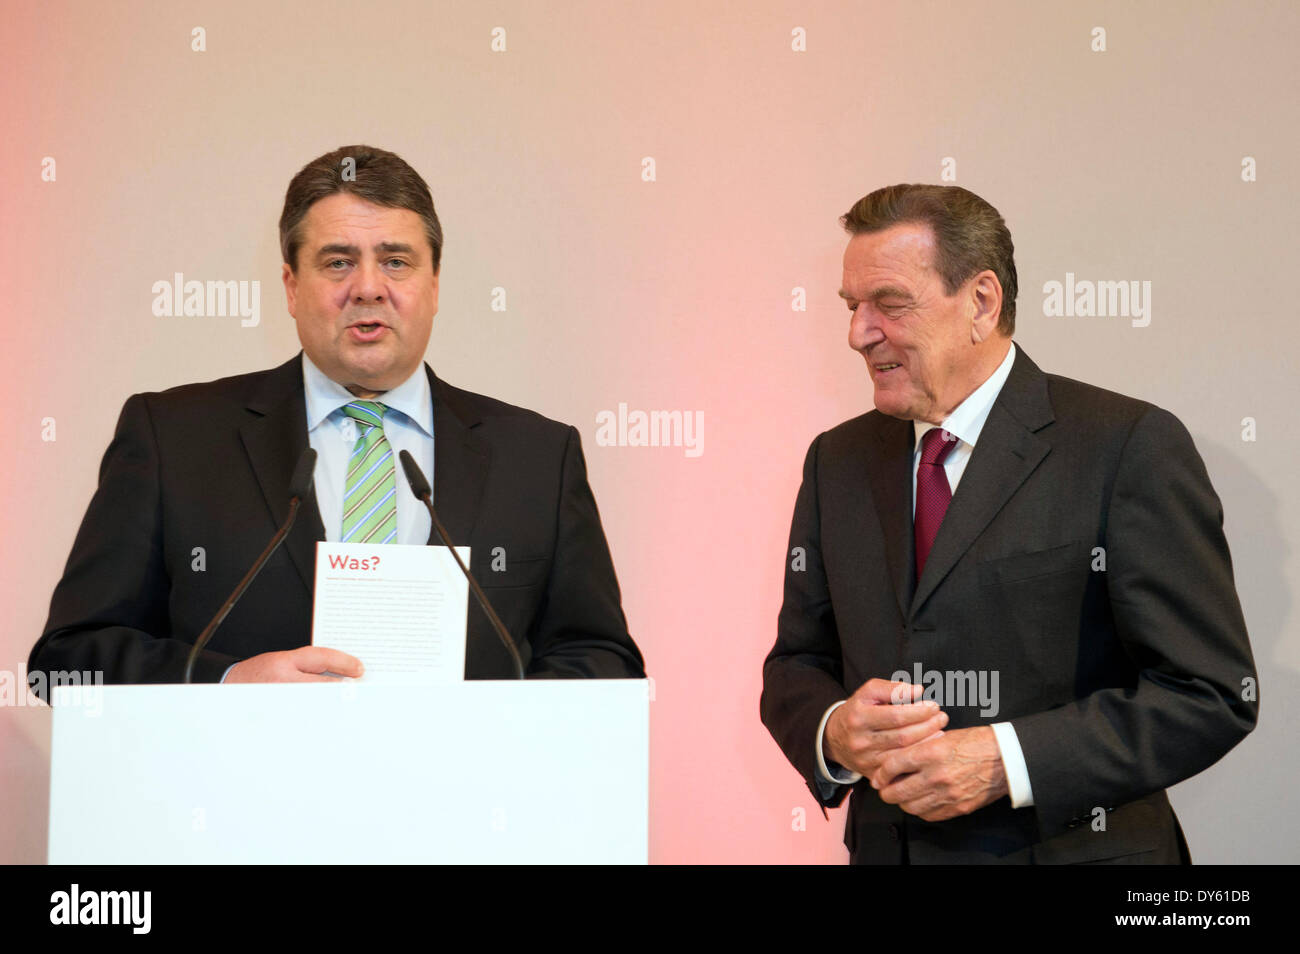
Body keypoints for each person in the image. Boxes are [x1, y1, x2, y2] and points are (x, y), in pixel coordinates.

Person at [760, 184, 1257, 864]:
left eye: (890, 303)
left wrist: (1006, 759)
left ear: (982, 303)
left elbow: (1209, 694)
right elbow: (796, 665)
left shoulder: (1125, 446)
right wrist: (835, 730)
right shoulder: (836, 461)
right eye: (852, 307)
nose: (858, 332)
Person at [30, 144, 644, 689]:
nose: (369, 288)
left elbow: (602, 660)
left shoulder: (537, 458)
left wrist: (487, 726)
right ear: (292, 287)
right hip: (236, 808)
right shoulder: (174, 438)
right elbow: (66, 660)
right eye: (338, 261)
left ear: (434, 285)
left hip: (462, 809)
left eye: (397, 261)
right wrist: (223, 682)